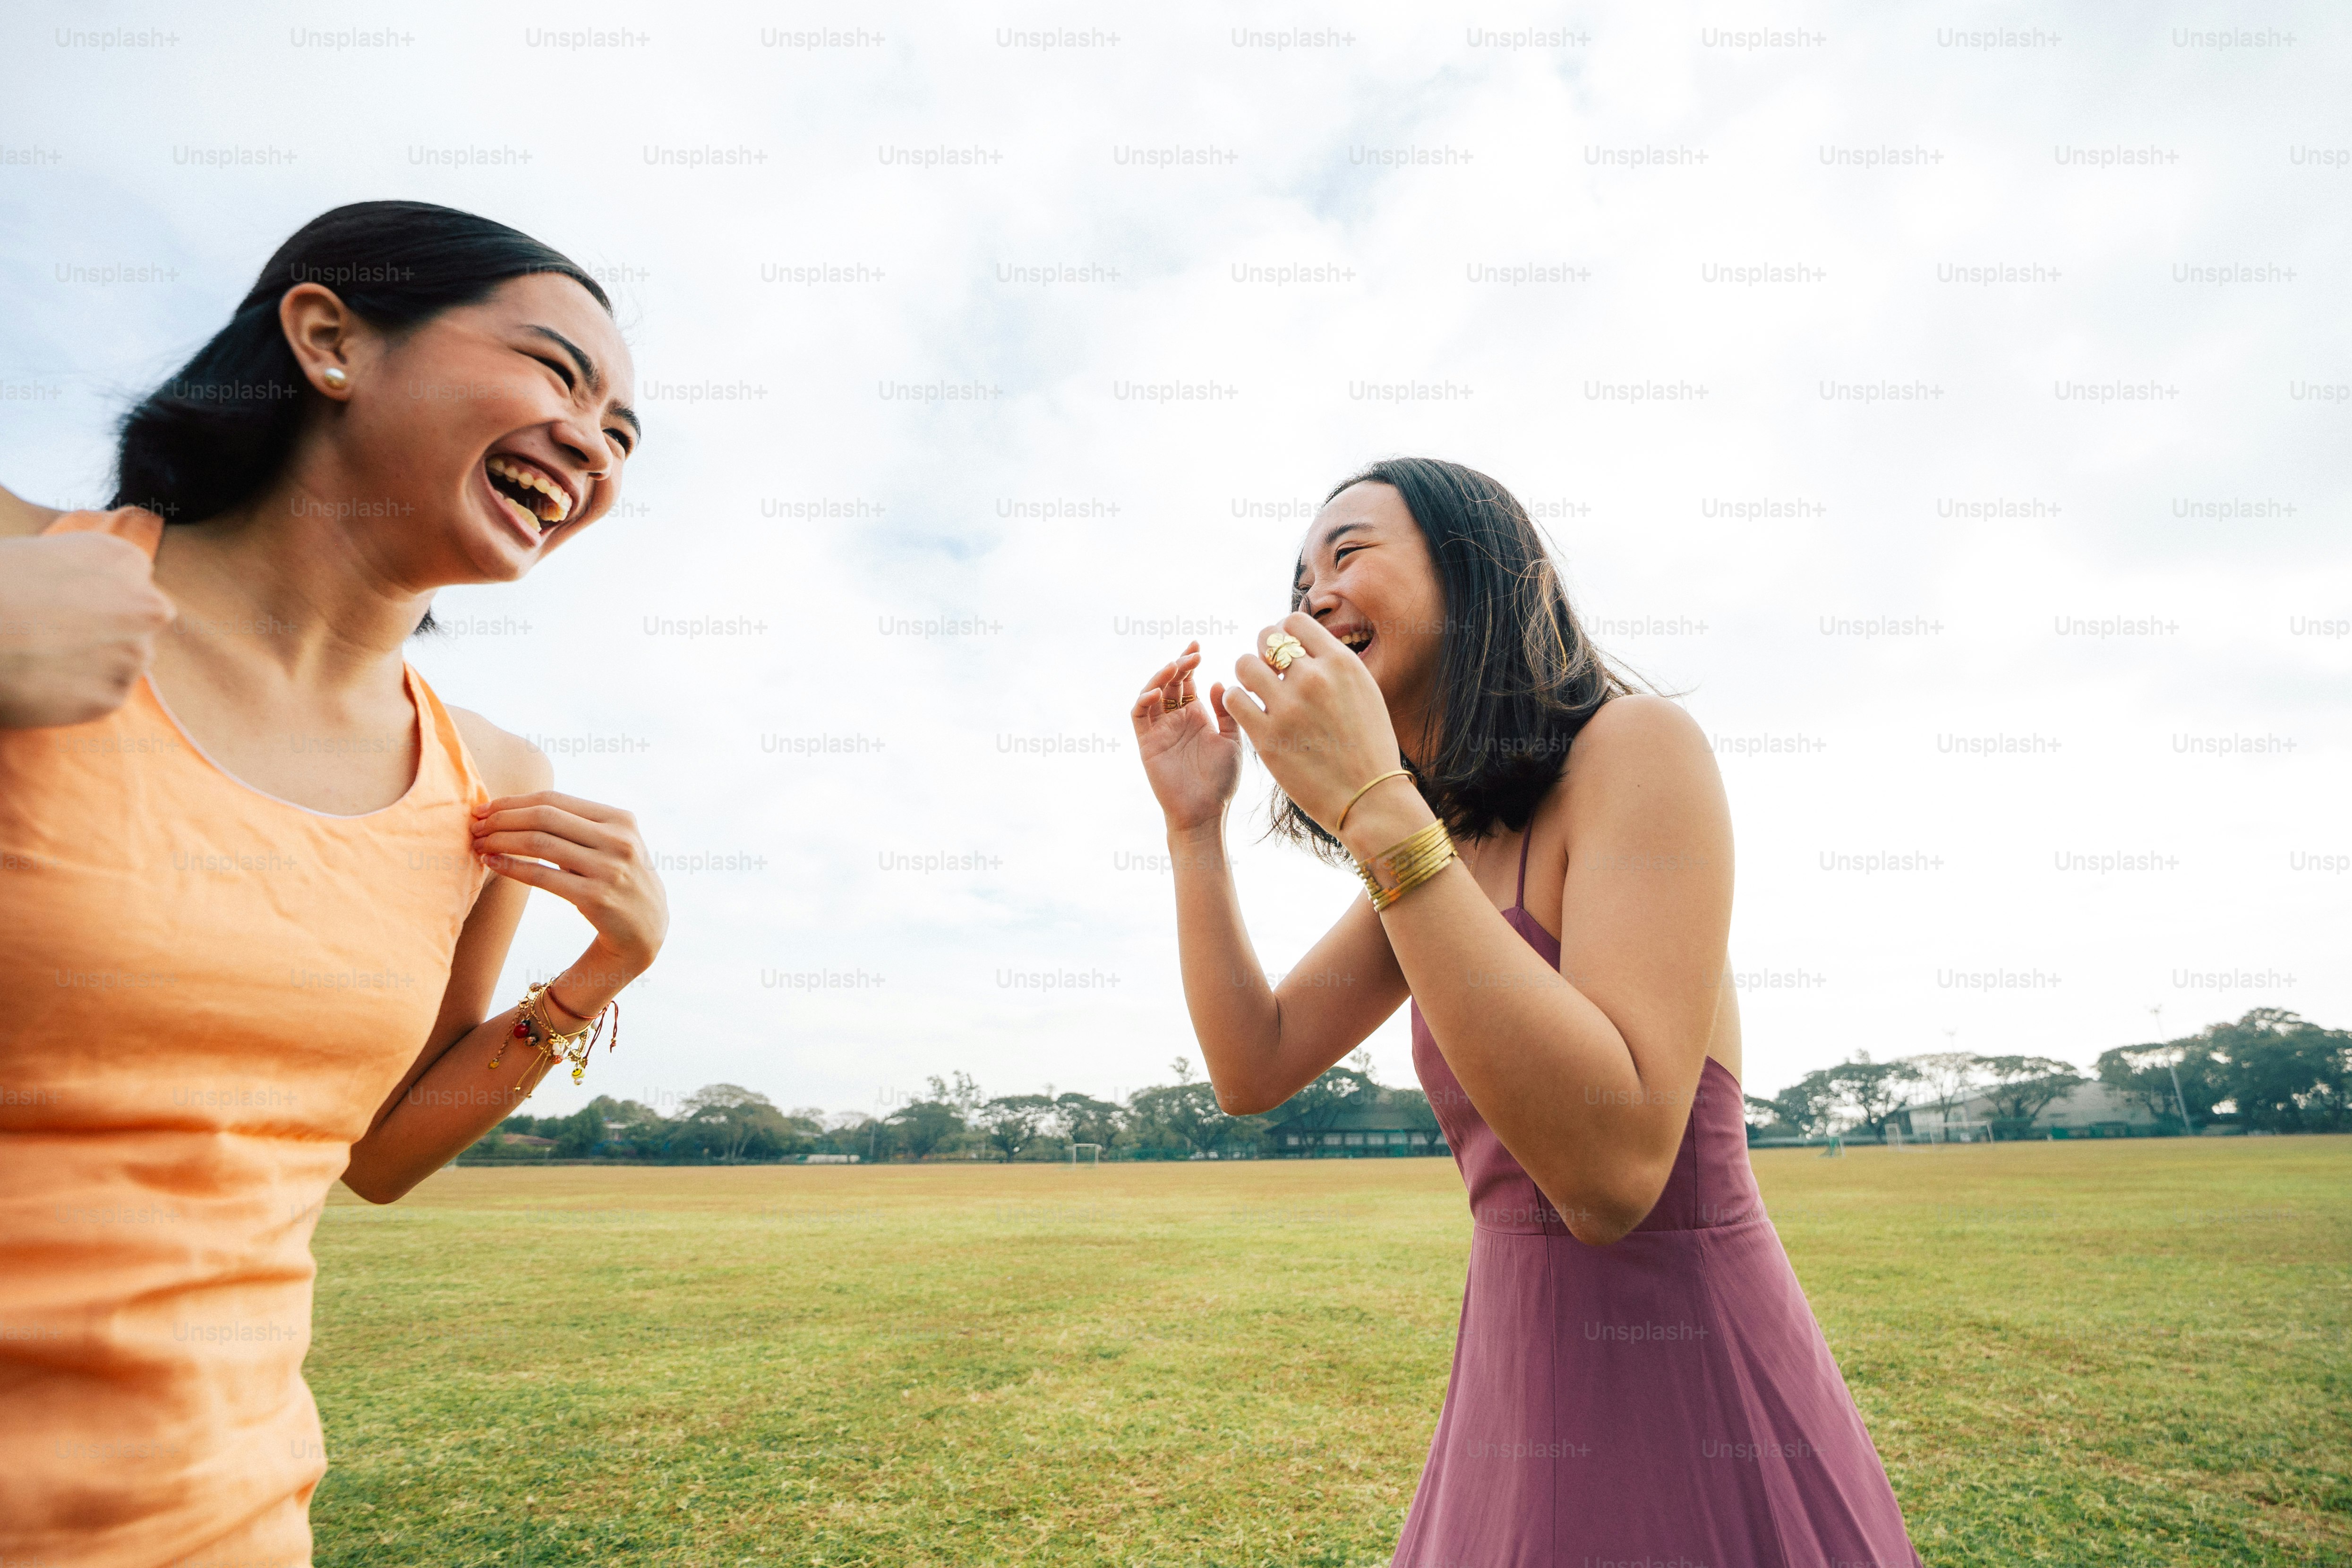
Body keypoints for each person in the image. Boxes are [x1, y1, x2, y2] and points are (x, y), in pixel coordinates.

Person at [0, 202, 669, 1568]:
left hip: (222, 1526)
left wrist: (600, 975)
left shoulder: (488, 776)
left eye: (621, 435)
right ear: (327, 341)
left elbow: (379, 1155)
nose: (593, 447)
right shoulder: (26, 565)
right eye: (560, 374)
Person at [1131, 458, 1920, 1566]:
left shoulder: (1635, 751)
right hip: (1511, 1379)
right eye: (1300, 580)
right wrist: (1193, 829)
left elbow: (1613, 1175)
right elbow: (1251, 1066)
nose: (1312, 597)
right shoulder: (1436, 849)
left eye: (1348, 552)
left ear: (1475, 572)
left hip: (1689, 1381)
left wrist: (1374, 806)